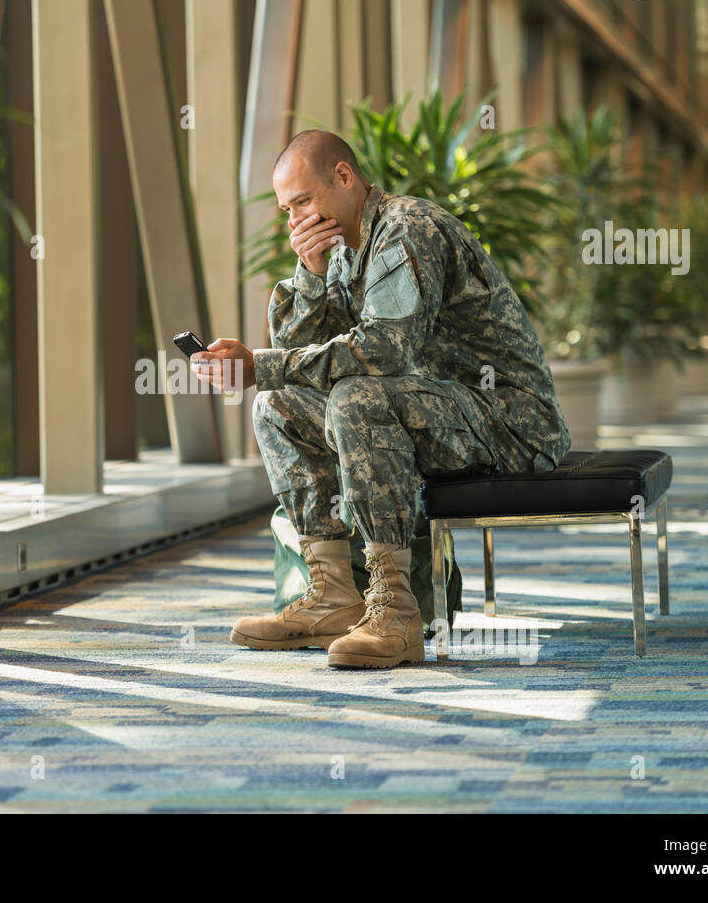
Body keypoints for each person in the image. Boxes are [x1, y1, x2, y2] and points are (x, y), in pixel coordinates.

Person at [191, 130, 571, 668]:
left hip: (508, 420)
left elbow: (383, 353)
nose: (296, 219)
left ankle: (397, 614)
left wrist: (261, 365)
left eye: (304, 201)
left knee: (357, 398)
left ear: (344, 177)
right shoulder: (338, 248)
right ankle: (333, 597)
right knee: (275, 406)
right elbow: (300, 362)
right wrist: (314, 276)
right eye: (286, 210)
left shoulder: (406, 228)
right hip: (435, 411)